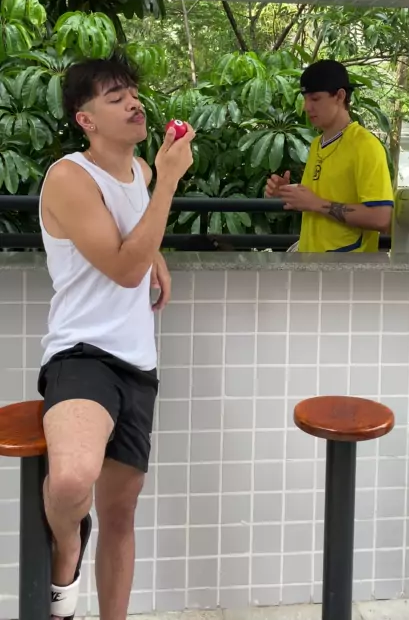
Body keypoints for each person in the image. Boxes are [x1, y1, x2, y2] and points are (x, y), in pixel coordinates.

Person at [38, 52, 194, 620]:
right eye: (115, 98)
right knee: (71, 480)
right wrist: (172, 180)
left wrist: (159, 257)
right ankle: (66, 546)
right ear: (86, 120)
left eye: (133, 93)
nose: (134, 104)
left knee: (121, 515)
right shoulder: (69, 177)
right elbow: (126, 268)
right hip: (82, 353)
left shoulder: (141, 172)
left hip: (137, 361)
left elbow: (134, 240)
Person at [265, 59, 393, 253]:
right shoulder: (317, 144)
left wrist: (317, 204)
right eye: (305, 98)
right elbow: (315, 201)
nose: (307, 107)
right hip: (311, 263)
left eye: (315, 99)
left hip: (344, 268)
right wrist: (285, 192)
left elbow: (381, 217)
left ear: (340, 96)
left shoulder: (365, 146)